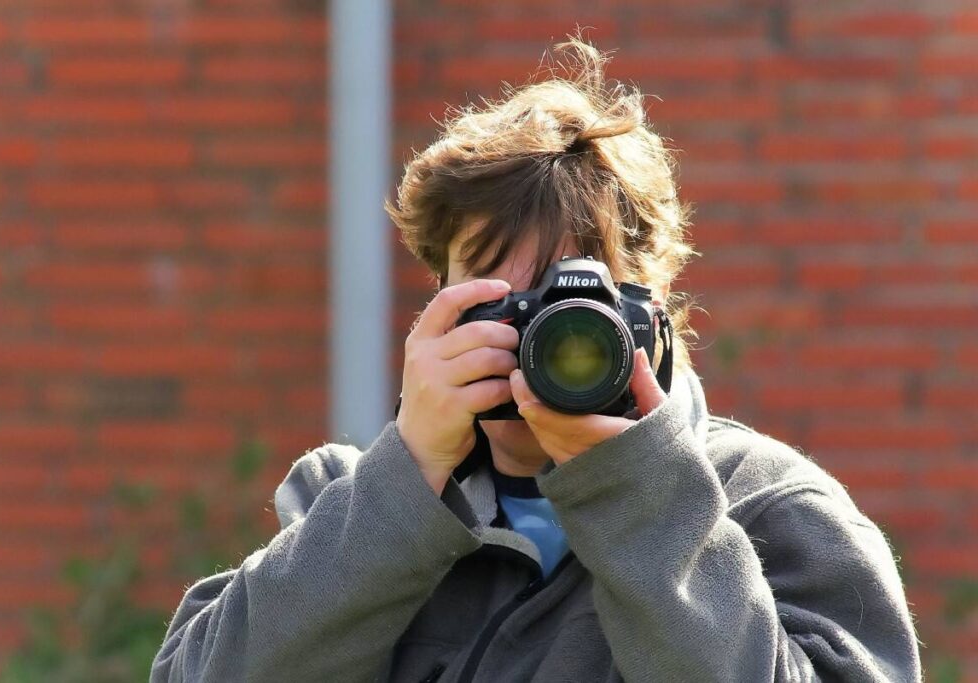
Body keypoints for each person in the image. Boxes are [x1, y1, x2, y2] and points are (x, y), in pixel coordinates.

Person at [150, 35, 922, 682]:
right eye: (495, 301)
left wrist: (637, 494)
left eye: (569, 310)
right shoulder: (346, 502)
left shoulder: (775, 510)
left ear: (648, 313)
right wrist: (405, 486)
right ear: (435, 307)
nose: (530, 343)